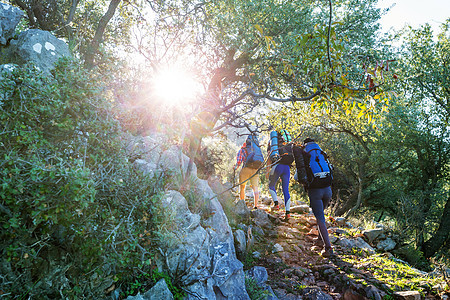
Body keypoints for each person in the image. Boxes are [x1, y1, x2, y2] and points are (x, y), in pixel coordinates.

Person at [293, 138, 334, 258]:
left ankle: (328, 248)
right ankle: (320, 239)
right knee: (321, 215)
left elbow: (297, 178)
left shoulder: (305, 157)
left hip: (315, 191)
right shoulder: (321, 154)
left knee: (320, 218)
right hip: (328, 190)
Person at [267, 130, 294, 221]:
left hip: (277, 166)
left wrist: (268, 170)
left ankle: (276, 205)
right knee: (285, 190)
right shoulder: (287, 143)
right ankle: (288, 213)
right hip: (287, 168)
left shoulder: (273, 142)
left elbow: (269, 156)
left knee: (271, 186)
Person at [234, 139, 261, 209]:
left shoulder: (242, 150)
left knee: (242, 187)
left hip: (246, 169)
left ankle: (242, 204)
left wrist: (235, 168)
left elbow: (239, 161)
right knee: (255, 187)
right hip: (255, 170)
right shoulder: (256, 150)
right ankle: (255, 205)